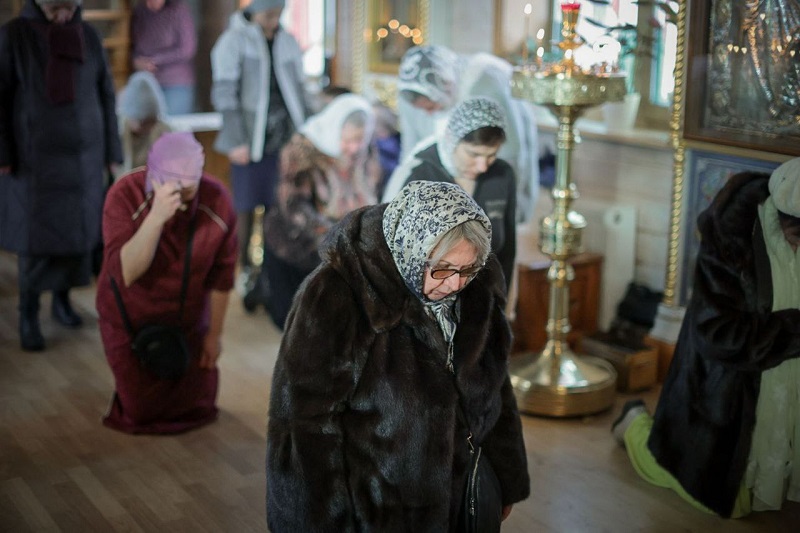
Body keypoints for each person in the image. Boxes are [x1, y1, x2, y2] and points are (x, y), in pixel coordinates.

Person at [266, 180, 530, 530]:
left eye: (468, 270)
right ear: (413, 249)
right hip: (379, 510)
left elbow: (497, 387)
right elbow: (303, 423)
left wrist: (506, 479)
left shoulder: (480, 287)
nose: (455, 284)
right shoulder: (335, 295)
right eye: (442, 269)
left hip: (463, 493)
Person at [611, 160, 800, 518]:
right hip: (720, 391)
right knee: (716, 496)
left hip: (781, 382)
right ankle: (634, 425)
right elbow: (720, 334)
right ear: (781, 222)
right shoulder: (733, 237)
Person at [0, 0, 123, 352]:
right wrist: (3, 153)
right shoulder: (15, 36)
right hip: (34, 161)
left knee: (76, 237)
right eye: (56, 8)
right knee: (35, 241)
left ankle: (62, 301)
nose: (64, 15)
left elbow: (105, 94)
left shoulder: (89, 36)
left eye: (69, 7)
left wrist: (112, 153)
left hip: (83, 160)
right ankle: (28, 313)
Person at [95, 132, 237, 434]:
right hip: (130, 318)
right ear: (153, 175)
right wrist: (156, 217)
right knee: (140, 412)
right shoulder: (124, 194)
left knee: (198, 407)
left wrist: (214, 336)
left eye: (189, 186)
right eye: (173, 184)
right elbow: (127, 273)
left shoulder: (216, 200)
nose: (181, 193)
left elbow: (222, 277)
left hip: (187, 320)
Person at [211, 0, 312, 302]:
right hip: (249, 143)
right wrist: (235, 140)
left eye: (278, 14)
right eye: (268, 15)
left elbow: (300, 89)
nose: (273, 21)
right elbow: (224, 93)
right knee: (245, 207)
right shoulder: (233, 40)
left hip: (284, 142)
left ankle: (271, 275)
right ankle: (245, 271)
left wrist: (307, 132)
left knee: (277, 208)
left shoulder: (287, 40)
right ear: (254, 11)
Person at [261, 93, 381, 329]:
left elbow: (375, 192)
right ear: (335, 130)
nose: (355, 148)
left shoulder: (366, 150)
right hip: (299, 245)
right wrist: (339, 237)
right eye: (349, 141)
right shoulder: (302, 151)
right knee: (298, 323)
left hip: (346, 244)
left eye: (361, 140)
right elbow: (294, 208)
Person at [384, 44, 540, 222]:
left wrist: (506, 206)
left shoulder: (484, 83)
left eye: (432, 107)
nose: (429, 114)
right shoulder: (410, 95)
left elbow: (511, 154)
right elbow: (410, 149)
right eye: (423, 109)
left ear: (446, 85)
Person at [390, 96, 516, 290]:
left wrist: (505, 300)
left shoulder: (502, 174)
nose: (482, 166)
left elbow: (508, 249)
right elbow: (392, 250)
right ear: (451, 139)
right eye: (473, 154)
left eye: (491, 155)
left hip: (484, 297)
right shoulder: (418, 174)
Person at [130, 0, 197, 115]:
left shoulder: (178, 11)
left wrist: (155, 60)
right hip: (147, 82)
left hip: (174, 83)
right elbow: (134, 45)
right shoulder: (140, 12)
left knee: (174, 124)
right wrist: (137, 61)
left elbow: (187, 49)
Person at [117, 71, 172, 176]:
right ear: (131, 117)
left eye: (152, 122)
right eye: (144, 123)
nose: (149, 128)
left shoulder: (164, 132)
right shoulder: (119, 134)